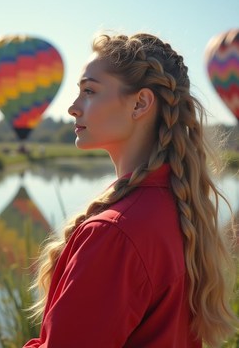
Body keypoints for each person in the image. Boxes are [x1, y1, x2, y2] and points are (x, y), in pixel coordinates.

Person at [23, 32, 237, 348]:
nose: (72, 107)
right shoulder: (178, 206)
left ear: (140, 103)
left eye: (89, 91)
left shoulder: (114, 234)